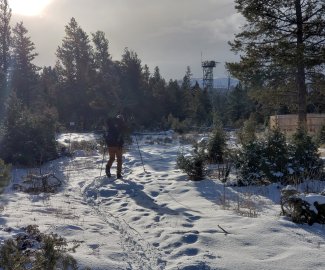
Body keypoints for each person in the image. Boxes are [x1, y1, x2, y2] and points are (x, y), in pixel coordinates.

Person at [104, 115, 126, 179]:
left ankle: (107, 168)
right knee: (119, 160)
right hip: (118, 145)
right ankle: (118, 174)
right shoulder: (121, 125)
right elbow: (126, 131)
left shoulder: (111, 124)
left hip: (110, 145)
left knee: (112, 158)